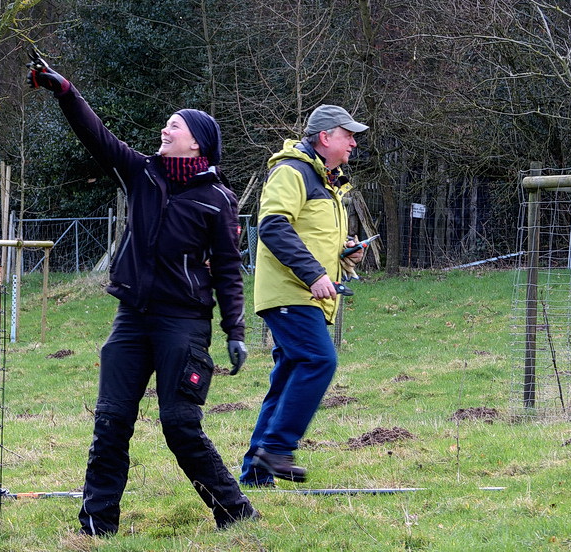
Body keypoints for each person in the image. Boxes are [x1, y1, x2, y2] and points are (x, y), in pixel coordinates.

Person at [26, 50, 257, 534]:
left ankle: (235, 514)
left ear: (199, 144)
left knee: (179, 426)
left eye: (175, 126)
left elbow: (230, 269)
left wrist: (234, 331)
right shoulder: (142, 173)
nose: (164, 130)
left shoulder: (218, 201)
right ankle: (95, 528)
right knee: (110, 423)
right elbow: (98, 138)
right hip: (132, 318)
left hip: (183, 322)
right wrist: (65, 91)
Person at [240, 104, 368, 487]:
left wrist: (344, 254)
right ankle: (278, 449)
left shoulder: (328, 181)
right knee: (319, 360)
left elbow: (310, 235)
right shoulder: (291, 171)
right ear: (325, 137)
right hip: (289, 293)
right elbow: (274, 227)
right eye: (348, 135)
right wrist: (313, 274)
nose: (354, 143)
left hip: (304, 293)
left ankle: (255, 475)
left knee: (289, 376)